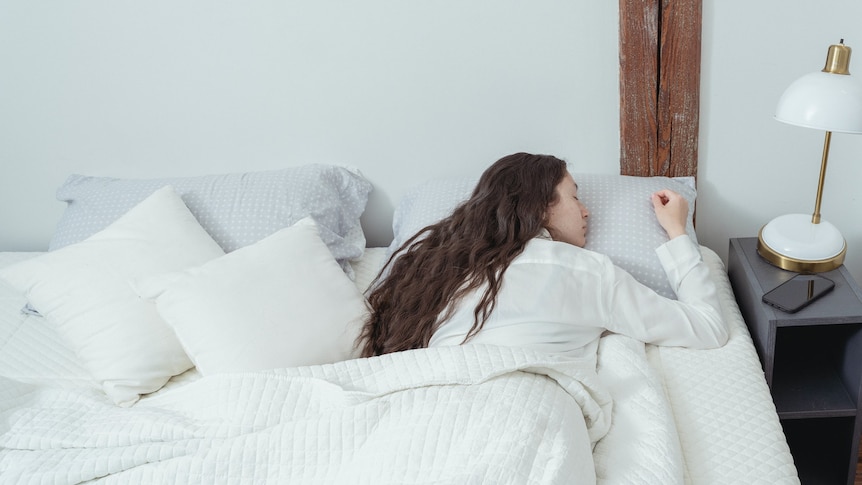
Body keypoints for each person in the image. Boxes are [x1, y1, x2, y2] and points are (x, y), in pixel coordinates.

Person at [358, 152, 728, 359]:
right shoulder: (586, 272)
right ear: (539, 207)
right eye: (575, 196)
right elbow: (709, 328)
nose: (587, 211)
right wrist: (678, 232)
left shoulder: (437, 274)